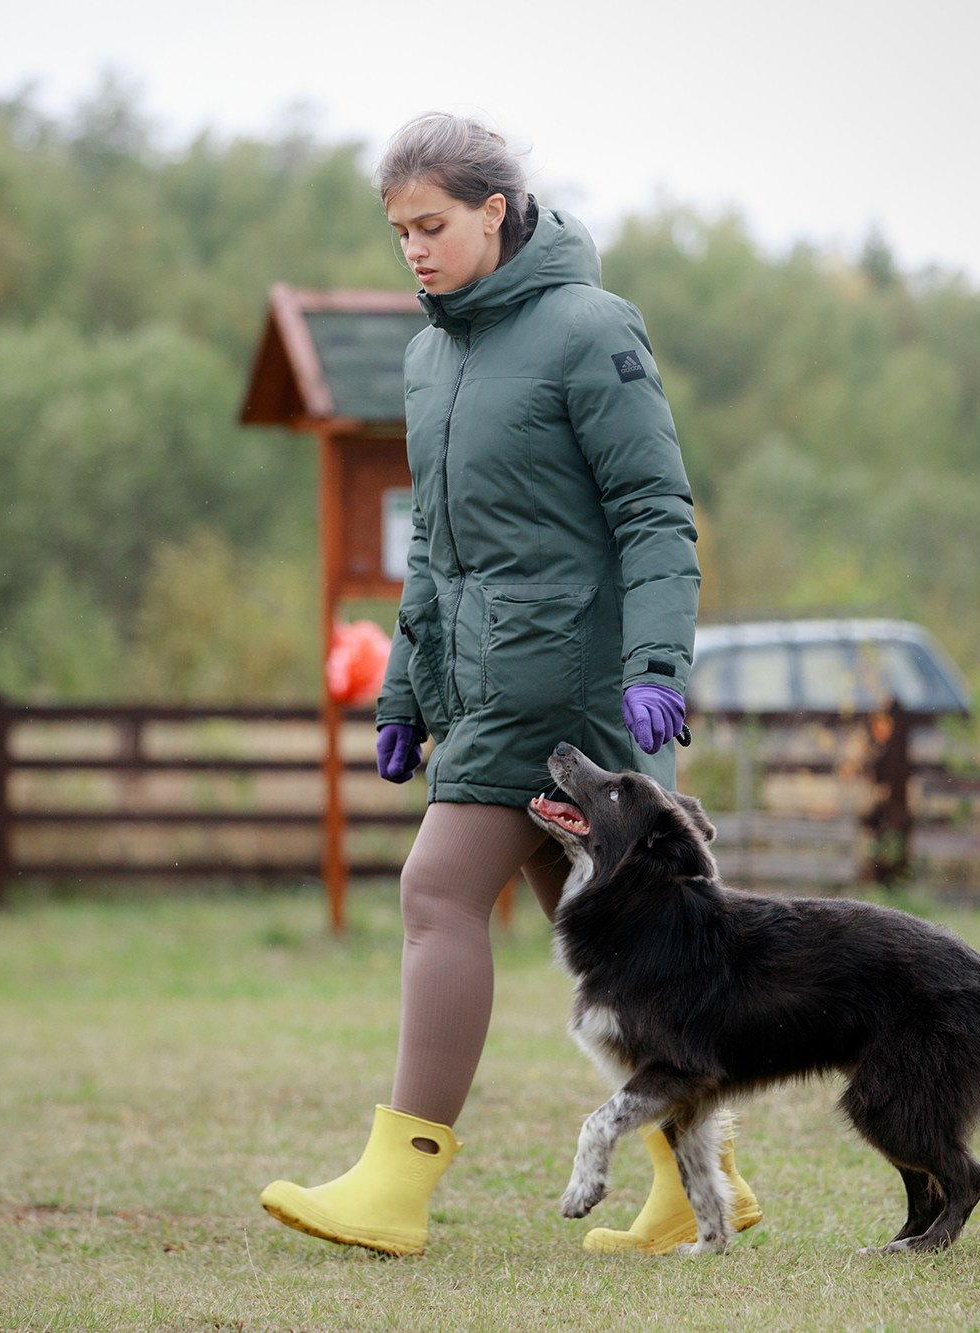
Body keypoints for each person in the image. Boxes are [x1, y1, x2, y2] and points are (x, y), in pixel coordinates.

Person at [259, 113, 758, 1257]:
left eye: (432, 225)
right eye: (398, 234)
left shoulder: (591, 329)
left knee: (436, 891)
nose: (415, 251)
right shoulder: (430, 356)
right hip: (486, 688)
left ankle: (394, 1187)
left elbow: (651, 512)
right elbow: (433, 551)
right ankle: (699, 1179)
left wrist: (654, 665)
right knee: (626, 954)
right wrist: (403, 692)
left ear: (495, 210)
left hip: (574, 691)